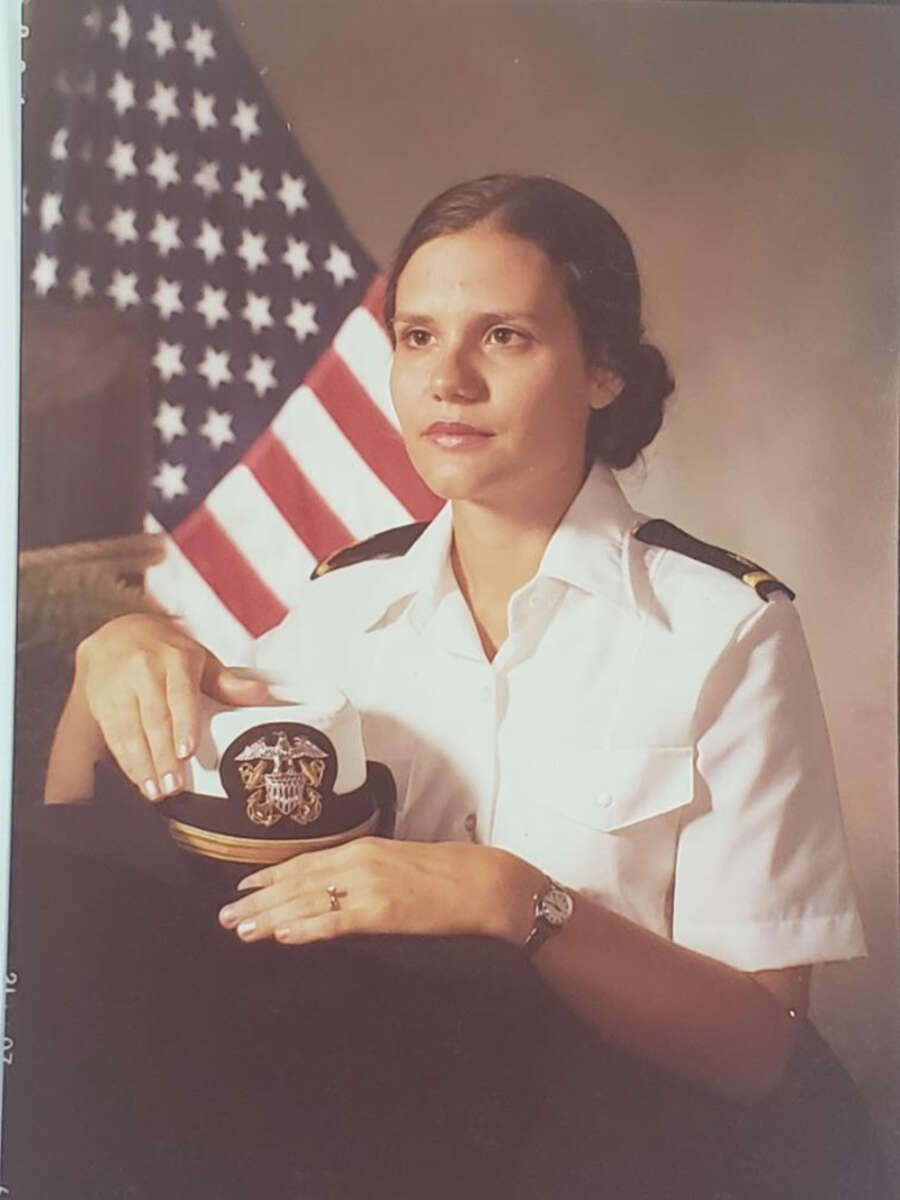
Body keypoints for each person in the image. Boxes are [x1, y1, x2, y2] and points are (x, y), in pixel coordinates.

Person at [30, 174, 883, 1197]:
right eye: (418, 337)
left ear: (603, 369)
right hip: (395, 1144)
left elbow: (756, 1050)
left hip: (637, 1157)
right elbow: (92, 862)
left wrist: (513, 899)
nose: (448, 381)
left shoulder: (723, 631)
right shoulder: (342, 608)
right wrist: (112, 651)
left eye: (505, 337)